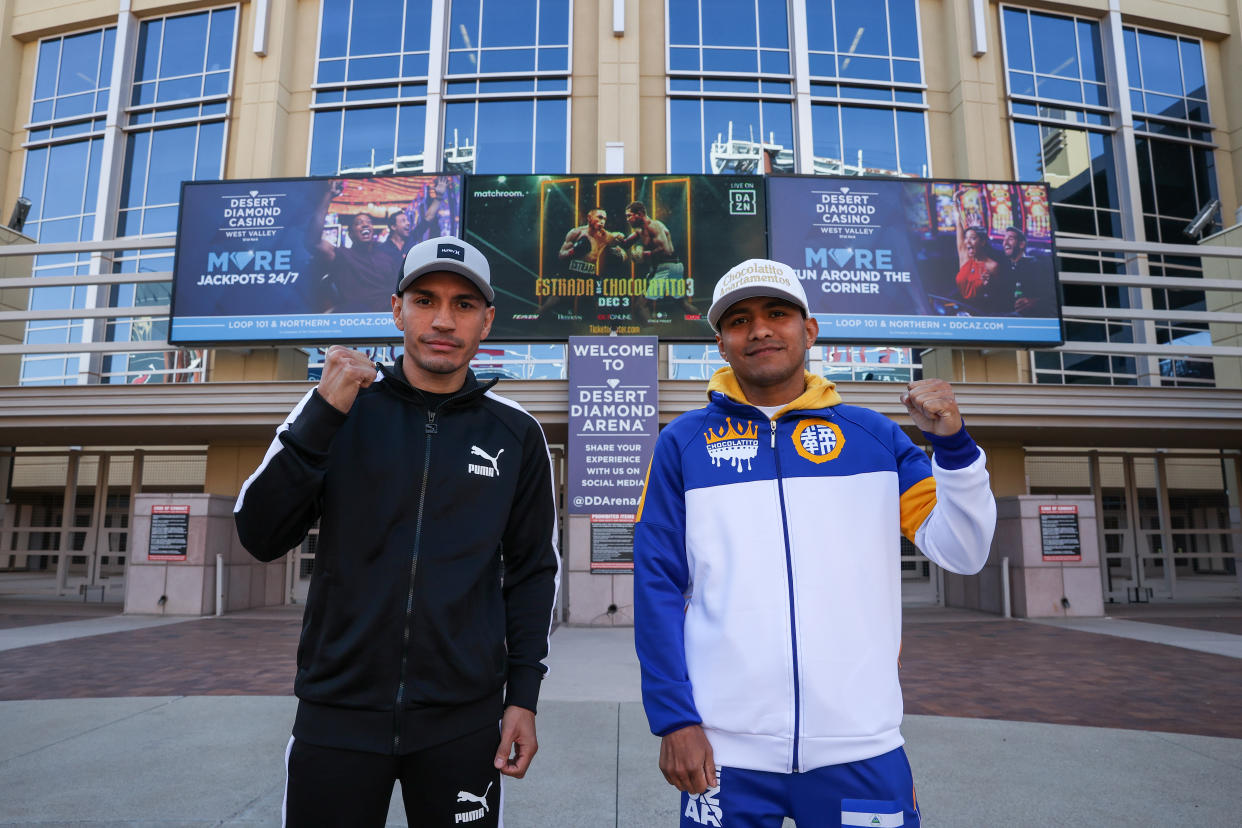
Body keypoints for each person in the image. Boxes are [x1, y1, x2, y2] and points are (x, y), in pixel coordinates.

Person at [633, 259, 996, 827]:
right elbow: (656, 590)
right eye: (739, 320)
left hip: (860, 745)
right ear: (721, 343)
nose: (759, 330)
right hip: (725, 752)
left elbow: (963, 550)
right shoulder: (682, 445)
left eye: (777, 313)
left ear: (810, 330)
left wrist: (952, 447)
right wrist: (674, 720)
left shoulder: (874, 437)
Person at [234, 236, 560, 827]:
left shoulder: (516, 433)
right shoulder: (335, 408)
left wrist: (523, 697)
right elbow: (259, 534)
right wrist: (323, 415)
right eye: (425, 299)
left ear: (486, 321)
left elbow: (534, 571)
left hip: (462, 722)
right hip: (338, 714)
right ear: (396, 309)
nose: (443, 320)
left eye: (464, 305)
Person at [306, 179, 395, 313]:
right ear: (351, 234)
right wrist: (329, 195)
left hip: (389, 319)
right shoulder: (343, 255)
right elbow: (313, 241)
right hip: (357, 319)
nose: (365, 224)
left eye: (368, 222)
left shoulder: (386, 257)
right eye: (359, 223)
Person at [623, 200, 696, 320]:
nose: (627, 219)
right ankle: (703, 321)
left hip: (665, 267)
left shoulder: (654, 226)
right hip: (672, 266)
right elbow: (625, 244)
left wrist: (643, 255)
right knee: (681, 302)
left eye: (629, 216)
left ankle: (649, 335)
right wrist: (611, 237)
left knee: (640, 306)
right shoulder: (640, 230)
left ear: (640, 214)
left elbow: (665, 250)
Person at [548, 207, 626, 315]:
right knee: (554, 300)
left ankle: (607, 328)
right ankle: (534, 320)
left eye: (604, 219)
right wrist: (574, 251)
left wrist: (621, 250)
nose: (602, 221)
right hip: (571, 272)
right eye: (599, 217)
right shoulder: (576, 233)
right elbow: (561, 255)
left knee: (605, 300)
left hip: (589, 274)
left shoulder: (605, 236)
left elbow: (621, 243)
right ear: (589, 218)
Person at [952, 206, 999, 309]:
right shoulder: (965, 257)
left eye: (972, 238)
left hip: (982, 310)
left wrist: (987, 285)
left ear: (982, 242)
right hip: (960, 309)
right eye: (966, 238)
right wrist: (955, 201)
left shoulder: (993, 266)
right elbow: (958, 225)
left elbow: (998, 295)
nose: (967, 241)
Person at [995, 225, 1043, 316]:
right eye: (1004, 239)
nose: (1005, 243)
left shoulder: (1035, 265)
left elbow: (1049, 296)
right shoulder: (1005, 266)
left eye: (1010, 239)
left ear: (1021, 244)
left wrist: (1034, 302)